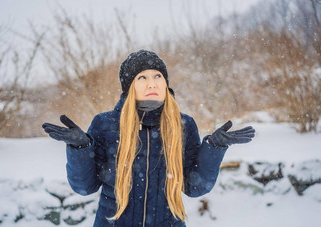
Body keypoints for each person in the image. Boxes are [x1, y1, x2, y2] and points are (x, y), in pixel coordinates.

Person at [42, 50, 255, 227]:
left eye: (157, 76)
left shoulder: (184, 125)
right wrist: (80, 147)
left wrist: (214, 148)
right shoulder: (105, 124)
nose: (151, 84)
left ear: (165, 83)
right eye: (142, 78)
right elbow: (84, 187)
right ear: (129, 86)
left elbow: (194, 187)